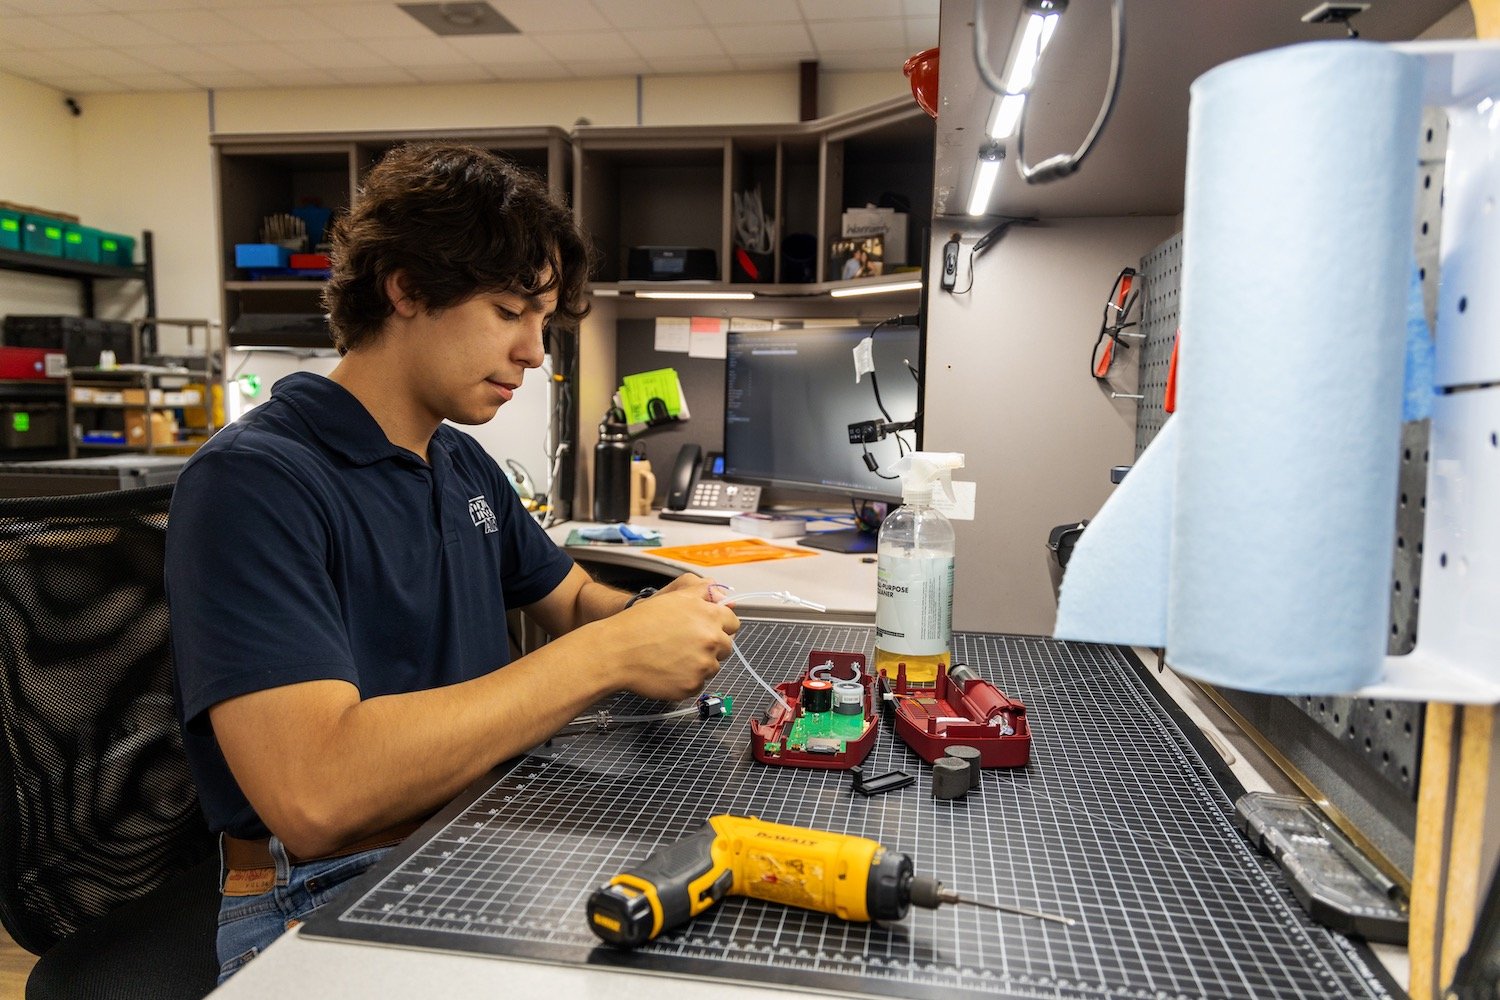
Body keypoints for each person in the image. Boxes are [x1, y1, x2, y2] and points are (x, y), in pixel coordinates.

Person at [165, 143, 741, 982]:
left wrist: (652, 620)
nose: (536, 354)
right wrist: (608, 657)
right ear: (405, 287)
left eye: (541, 322)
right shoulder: (253, 484)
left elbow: (572, 599)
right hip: (319, 889)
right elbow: (317, 797)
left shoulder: (457, 461)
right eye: (511, 312)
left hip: (474, 831)